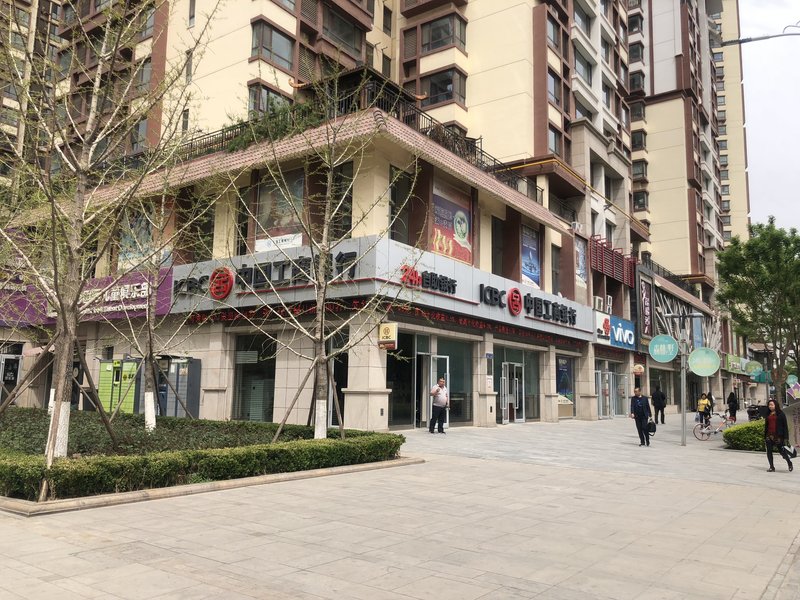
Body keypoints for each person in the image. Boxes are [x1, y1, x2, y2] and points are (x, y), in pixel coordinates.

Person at [764, 399, 793, 472]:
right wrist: (765, 435)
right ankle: (771, 467)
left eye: (772, 405)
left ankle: (789, 463)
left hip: (778, 436)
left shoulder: (781, 414)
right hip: (769, 435)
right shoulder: (768, 414)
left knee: (782, 451)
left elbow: (785, 426)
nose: (770, 406)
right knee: (769, 452)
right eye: (769, 405)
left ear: (775, 405)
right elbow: (766, 425)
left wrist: (786, 438)